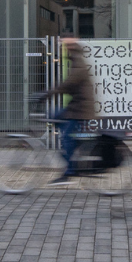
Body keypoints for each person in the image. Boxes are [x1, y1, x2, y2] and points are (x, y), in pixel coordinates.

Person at [52, 34, 98, 184]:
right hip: (76, 107)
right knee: (54, 115)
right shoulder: (76, 61)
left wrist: (47, 94)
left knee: (66, 138)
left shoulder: (78, 63)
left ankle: (70, 170)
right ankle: (71, 150)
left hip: (80, 110)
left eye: (66, 46)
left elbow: (68, 85)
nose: (65, 49)